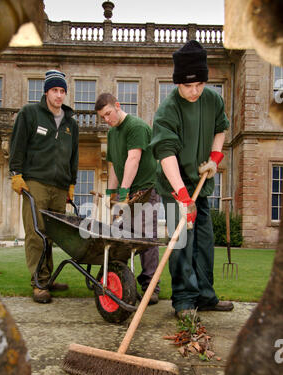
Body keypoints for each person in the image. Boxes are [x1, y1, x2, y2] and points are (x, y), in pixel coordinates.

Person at [150, 40, 234, 318]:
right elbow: (165, 155)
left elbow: (220, 129)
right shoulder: (167, 111)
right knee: (183, 241)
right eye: (188, 86)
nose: (195, 90)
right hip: (175, 186)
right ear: (177, 84)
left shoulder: (212, 99)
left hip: (201, 184)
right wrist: (183, 197)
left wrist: (214, 159)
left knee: (204, 241)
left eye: (199, 83)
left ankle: (205, 297)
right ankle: (184, 301)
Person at [9, 70, 79, 304]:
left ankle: (47, 279)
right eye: (55, 91)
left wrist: (71, 185)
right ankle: (38, 284)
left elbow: (74, 156)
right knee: (36, 234)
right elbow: (17, 144)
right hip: (36, 182)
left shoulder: (71, 123)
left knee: (51, 235)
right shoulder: (30, 114)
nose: (59, 96)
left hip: (59, 187)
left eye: (62, 91)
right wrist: (16, 174)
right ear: (46, 92)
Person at [95, 93, 160, 304]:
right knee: (121, 236)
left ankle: (151, 287)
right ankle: (121, 280)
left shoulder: (136, 126)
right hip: (128, 193)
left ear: (117, 105)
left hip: (146, 190)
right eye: (103, 117)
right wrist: (110, 194)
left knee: (146, 238)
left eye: (108, 114)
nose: (107, 119)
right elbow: (115, 167)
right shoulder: (113, 133)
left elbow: (134, 159)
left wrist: (123, 193)